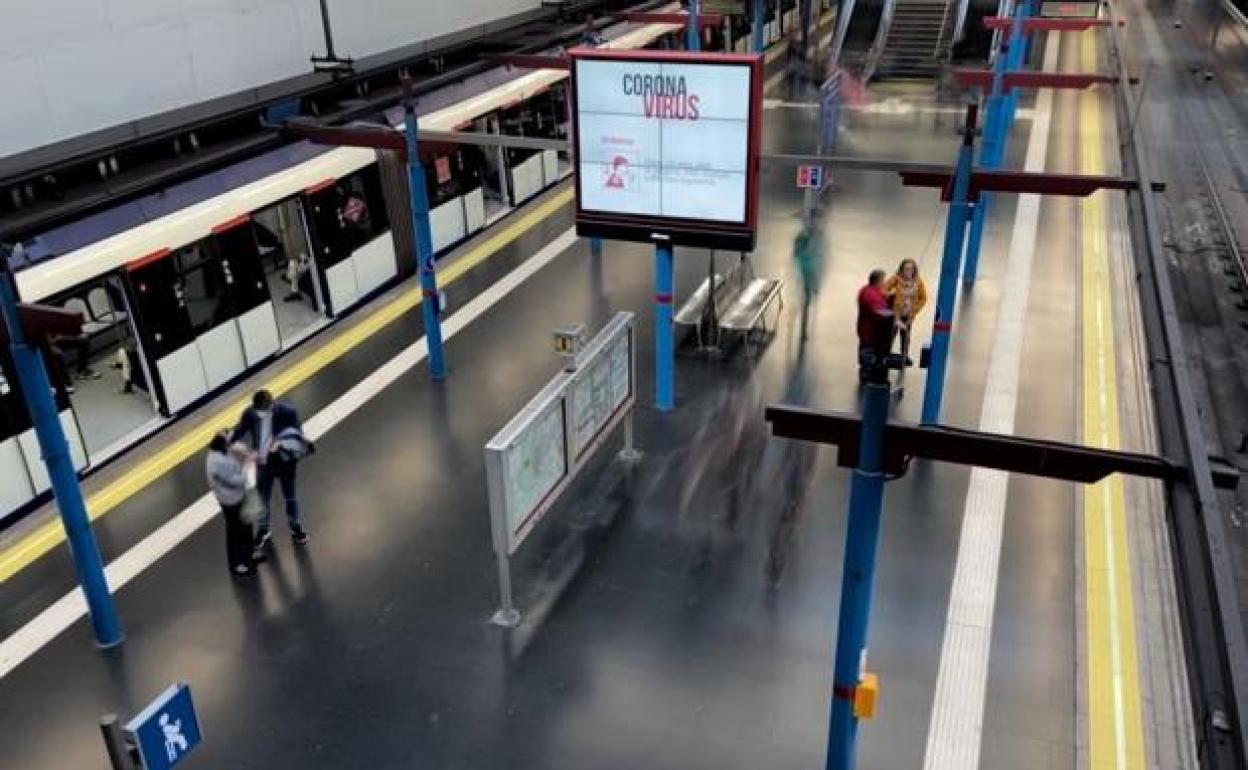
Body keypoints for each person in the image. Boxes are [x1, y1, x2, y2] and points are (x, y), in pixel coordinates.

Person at [232, 390, 309, 557]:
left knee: (290, 497)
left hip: (284, 463)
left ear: (272, 405)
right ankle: (263, 530)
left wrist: (280, 443)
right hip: (263, 464)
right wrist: (228, 441)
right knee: (263, 499)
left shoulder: (287, 412)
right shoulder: (251, 413)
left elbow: (298, 435)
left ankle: (295, 528)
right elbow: (240, 430)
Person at [206, 433, 253, 576]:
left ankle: (249, 553)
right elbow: (235, 481)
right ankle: (237, 563)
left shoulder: (219, 453)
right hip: (231, 501)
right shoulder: (218, 462)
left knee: (246, 525)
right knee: (235, 531)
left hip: (238, 496)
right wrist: (247, 467)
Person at [883, 258, 928, 365]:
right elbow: (883, 289)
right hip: (895, 314)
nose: (908, 271)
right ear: (901, 269)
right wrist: (890, 293)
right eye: (906, 269)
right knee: (890, 335)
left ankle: (903, 357)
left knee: (906, 337)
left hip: (908, 315)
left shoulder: (918, 282)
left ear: (914, 270)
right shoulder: (896, 279)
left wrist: (915, 309)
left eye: (910, 269)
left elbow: (923, 298)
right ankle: (885, 355)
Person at [856, 269, 894, 382]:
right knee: (867, 352)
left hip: (867, 330)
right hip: (870, 332)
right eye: (883, 280)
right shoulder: (871, 295)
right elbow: (880, 311)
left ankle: (867, 371)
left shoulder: (867, 290)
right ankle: (866, 374)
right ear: (878, 281)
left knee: (866, 349)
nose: (884, 283)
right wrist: (894, 316)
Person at [793, 221, 825, 340]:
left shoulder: (801, 254)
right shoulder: (807, 258)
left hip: (803, 282)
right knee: (805, 306)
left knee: (805, 306)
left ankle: (803, 329)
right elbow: (811, 271)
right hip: (806, 284)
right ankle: (803, 331)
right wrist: (815, 286)